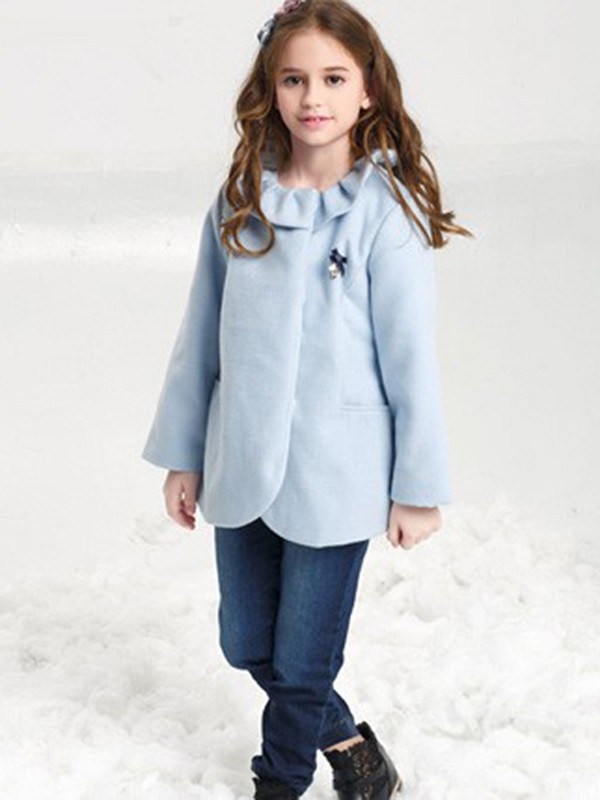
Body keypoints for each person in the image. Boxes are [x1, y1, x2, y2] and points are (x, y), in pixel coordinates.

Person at [141, 1, 473, 797]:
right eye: (293, 79)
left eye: (332, 78)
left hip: (339, 472)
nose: (312, 97)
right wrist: (184, 455)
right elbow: (200, 336)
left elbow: (411, 359)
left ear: (368, 90)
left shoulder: (385, 211)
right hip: (240, 461)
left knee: (302, 664)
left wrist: (417, 487)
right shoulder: (240, 200)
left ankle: (280, 781)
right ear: (271, 89)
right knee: (245, 642)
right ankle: (354, 750)